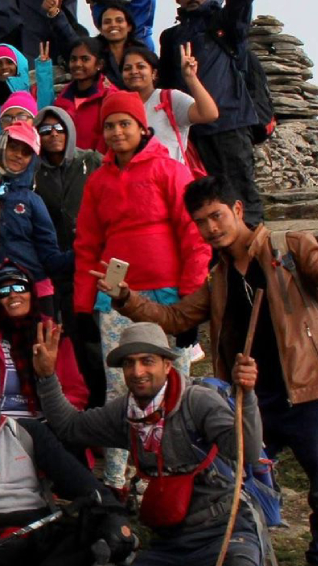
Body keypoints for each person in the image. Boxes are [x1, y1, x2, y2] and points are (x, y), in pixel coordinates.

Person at [112, 175, 318, 566]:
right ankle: (250, 548)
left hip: (313, 390)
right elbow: (176, 317)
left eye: (216, 216)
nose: (211, 228)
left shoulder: (292, 246)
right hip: (252, 398)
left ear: (237, 209)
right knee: (239, 479)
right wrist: (126, 298)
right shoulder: (219, 278)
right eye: (201, 222)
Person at [35, 321, 264, 566]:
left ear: (167, 365)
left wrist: (248, 394)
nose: (137, 371)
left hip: (225, 531)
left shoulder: (197, 402)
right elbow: (70, 427)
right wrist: (47, 377)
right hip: (171, 542)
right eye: (129, 363)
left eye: (147, 361)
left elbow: (246, 452)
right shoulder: (125, 412)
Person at [72, 91, 212, 489]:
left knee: (172, 387)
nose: (117, 132)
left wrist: (191, 304)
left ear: (142, 127)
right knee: (121, 386)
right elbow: (87, 246)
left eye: (125, 124)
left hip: (169, 299)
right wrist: (83, 306)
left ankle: (170, 474)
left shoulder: (170, 171)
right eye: (109, 126)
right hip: (116, 300)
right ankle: (117, 478)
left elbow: (193, 237)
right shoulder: (97, 182)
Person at [0, 351, 135, 566]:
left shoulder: (30, 431)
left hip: (43, 535)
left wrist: (113, 513)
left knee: (98, 534)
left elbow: (78, 479)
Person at [158, 0, 263, 224]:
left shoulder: (226, 23)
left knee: (242, 195)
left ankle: (255, 250)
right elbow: (165, 87)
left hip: (230, 123)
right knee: (206, 201)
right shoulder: (170, 38)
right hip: (193, 131)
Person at [0, 123, 72, 319]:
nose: (18, 155)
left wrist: (83, 250)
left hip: (35, 294)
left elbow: (50, 256)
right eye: (13, 147)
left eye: (26, 152)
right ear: (0, 146)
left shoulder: (33, 200)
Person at [31, 106, 105, 400]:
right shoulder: (33, 172)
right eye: (45, 130)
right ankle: (91, 400)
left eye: (59, 128)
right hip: (57, 267)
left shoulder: (91, 161)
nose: (53, 135)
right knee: (76, 338)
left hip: (94, 263)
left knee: (99, 335)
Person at [0, 263, 90, 418]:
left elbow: (77, 393)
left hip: (48, 424)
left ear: (32, 293)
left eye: (20, 288)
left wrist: (60, 423)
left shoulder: (53, 335)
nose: (12, 294)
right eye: (4, 291)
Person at [121, 45, 219, 169]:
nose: (134, 72)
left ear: (154, 73)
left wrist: (190, 77)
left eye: (141, 67)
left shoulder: (170, 98)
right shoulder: (119, 105)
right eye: (127, 68)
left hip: (170, 177)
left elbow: (209, 114)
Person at [48, 38, 118, 153]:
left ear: (99, 64)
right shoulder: (63, 96)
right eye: (73, 59)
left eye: (85, 59)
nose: (77, 64)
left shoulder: (110, 97)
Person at [94, 5, 144, 90]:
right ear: (101, 29)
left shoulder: (142, 52)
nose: (113, 25)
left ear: (129, 26)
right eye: (107, 22)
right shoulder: (93, 53)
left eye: (119, 20)